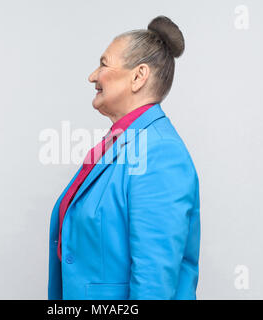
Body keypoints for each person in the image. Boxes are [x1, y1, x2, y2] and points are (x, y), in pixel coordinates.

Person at [48, 15, 200, 300]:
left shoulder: (160, 152)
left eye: (104, 64)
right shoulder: (121, 143)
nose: (93, 76)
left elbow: (154, 285)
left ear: (138, 76)